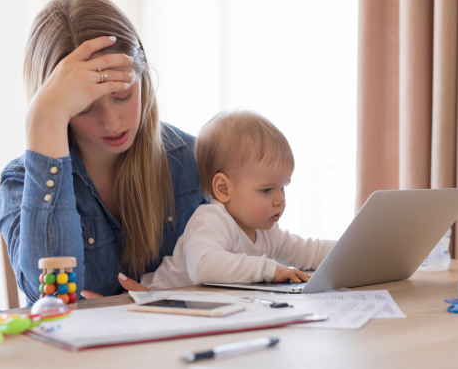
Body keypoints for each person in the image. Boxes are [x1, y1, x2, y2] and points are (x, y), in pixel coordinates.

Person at [0, 0, 204, 304]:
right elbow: (50, 298)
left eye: (122, 95)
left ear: (143, 79)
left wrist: (169, 301)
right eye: (85, 107)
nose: (111, 123)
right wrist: (41, 122)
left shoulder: (192, 159)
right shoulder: (21, 182)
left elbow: (244, 270)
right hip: (75, 353)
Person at [134, 110, 336, 290]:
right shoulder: (211, 220)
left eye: (283, 187)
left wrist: (356, 251)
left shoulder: (266, 230)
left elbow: (308, 251)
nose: (280, 200)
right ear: (223, 189)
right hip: (161, 303)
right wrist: (269, 270)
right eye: (267, 189)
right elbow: (203, 266)